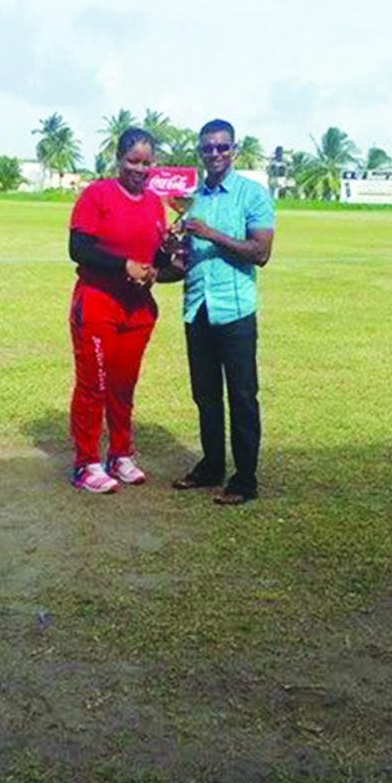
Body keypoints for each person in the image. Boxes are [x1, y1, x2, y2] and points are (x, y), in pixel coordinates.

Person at [172, 119, 275, 505]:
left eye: (222, 147)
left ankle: (245, 480)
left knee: (243, 396)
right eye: (208, 148)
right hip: (198, 308)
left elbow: (261, 253)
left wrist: (210, 234)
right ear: (200, 152)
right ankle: (212, 466)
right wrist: (167, 254)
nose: (215, 154)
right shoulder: (192, 198)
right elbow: (184, 259)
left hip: (234, 311)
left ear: (234, 150)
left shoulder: (252, 195)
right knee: (206, 395)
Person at [68, 128, 168, 493]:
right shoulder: (97, 195)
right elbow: (79, 248)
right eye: (133, 161)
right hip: (98, 303)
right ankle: (86, 463)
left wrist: (159, 265)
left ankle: (120, 454)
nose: (140, 169)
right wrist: (123, 265)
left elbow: (156, 256)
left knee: (124, 385)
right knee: (93, 385)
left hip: (137, 309)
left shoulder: (156, 204)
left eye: (147, 163)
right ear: (118, 159)